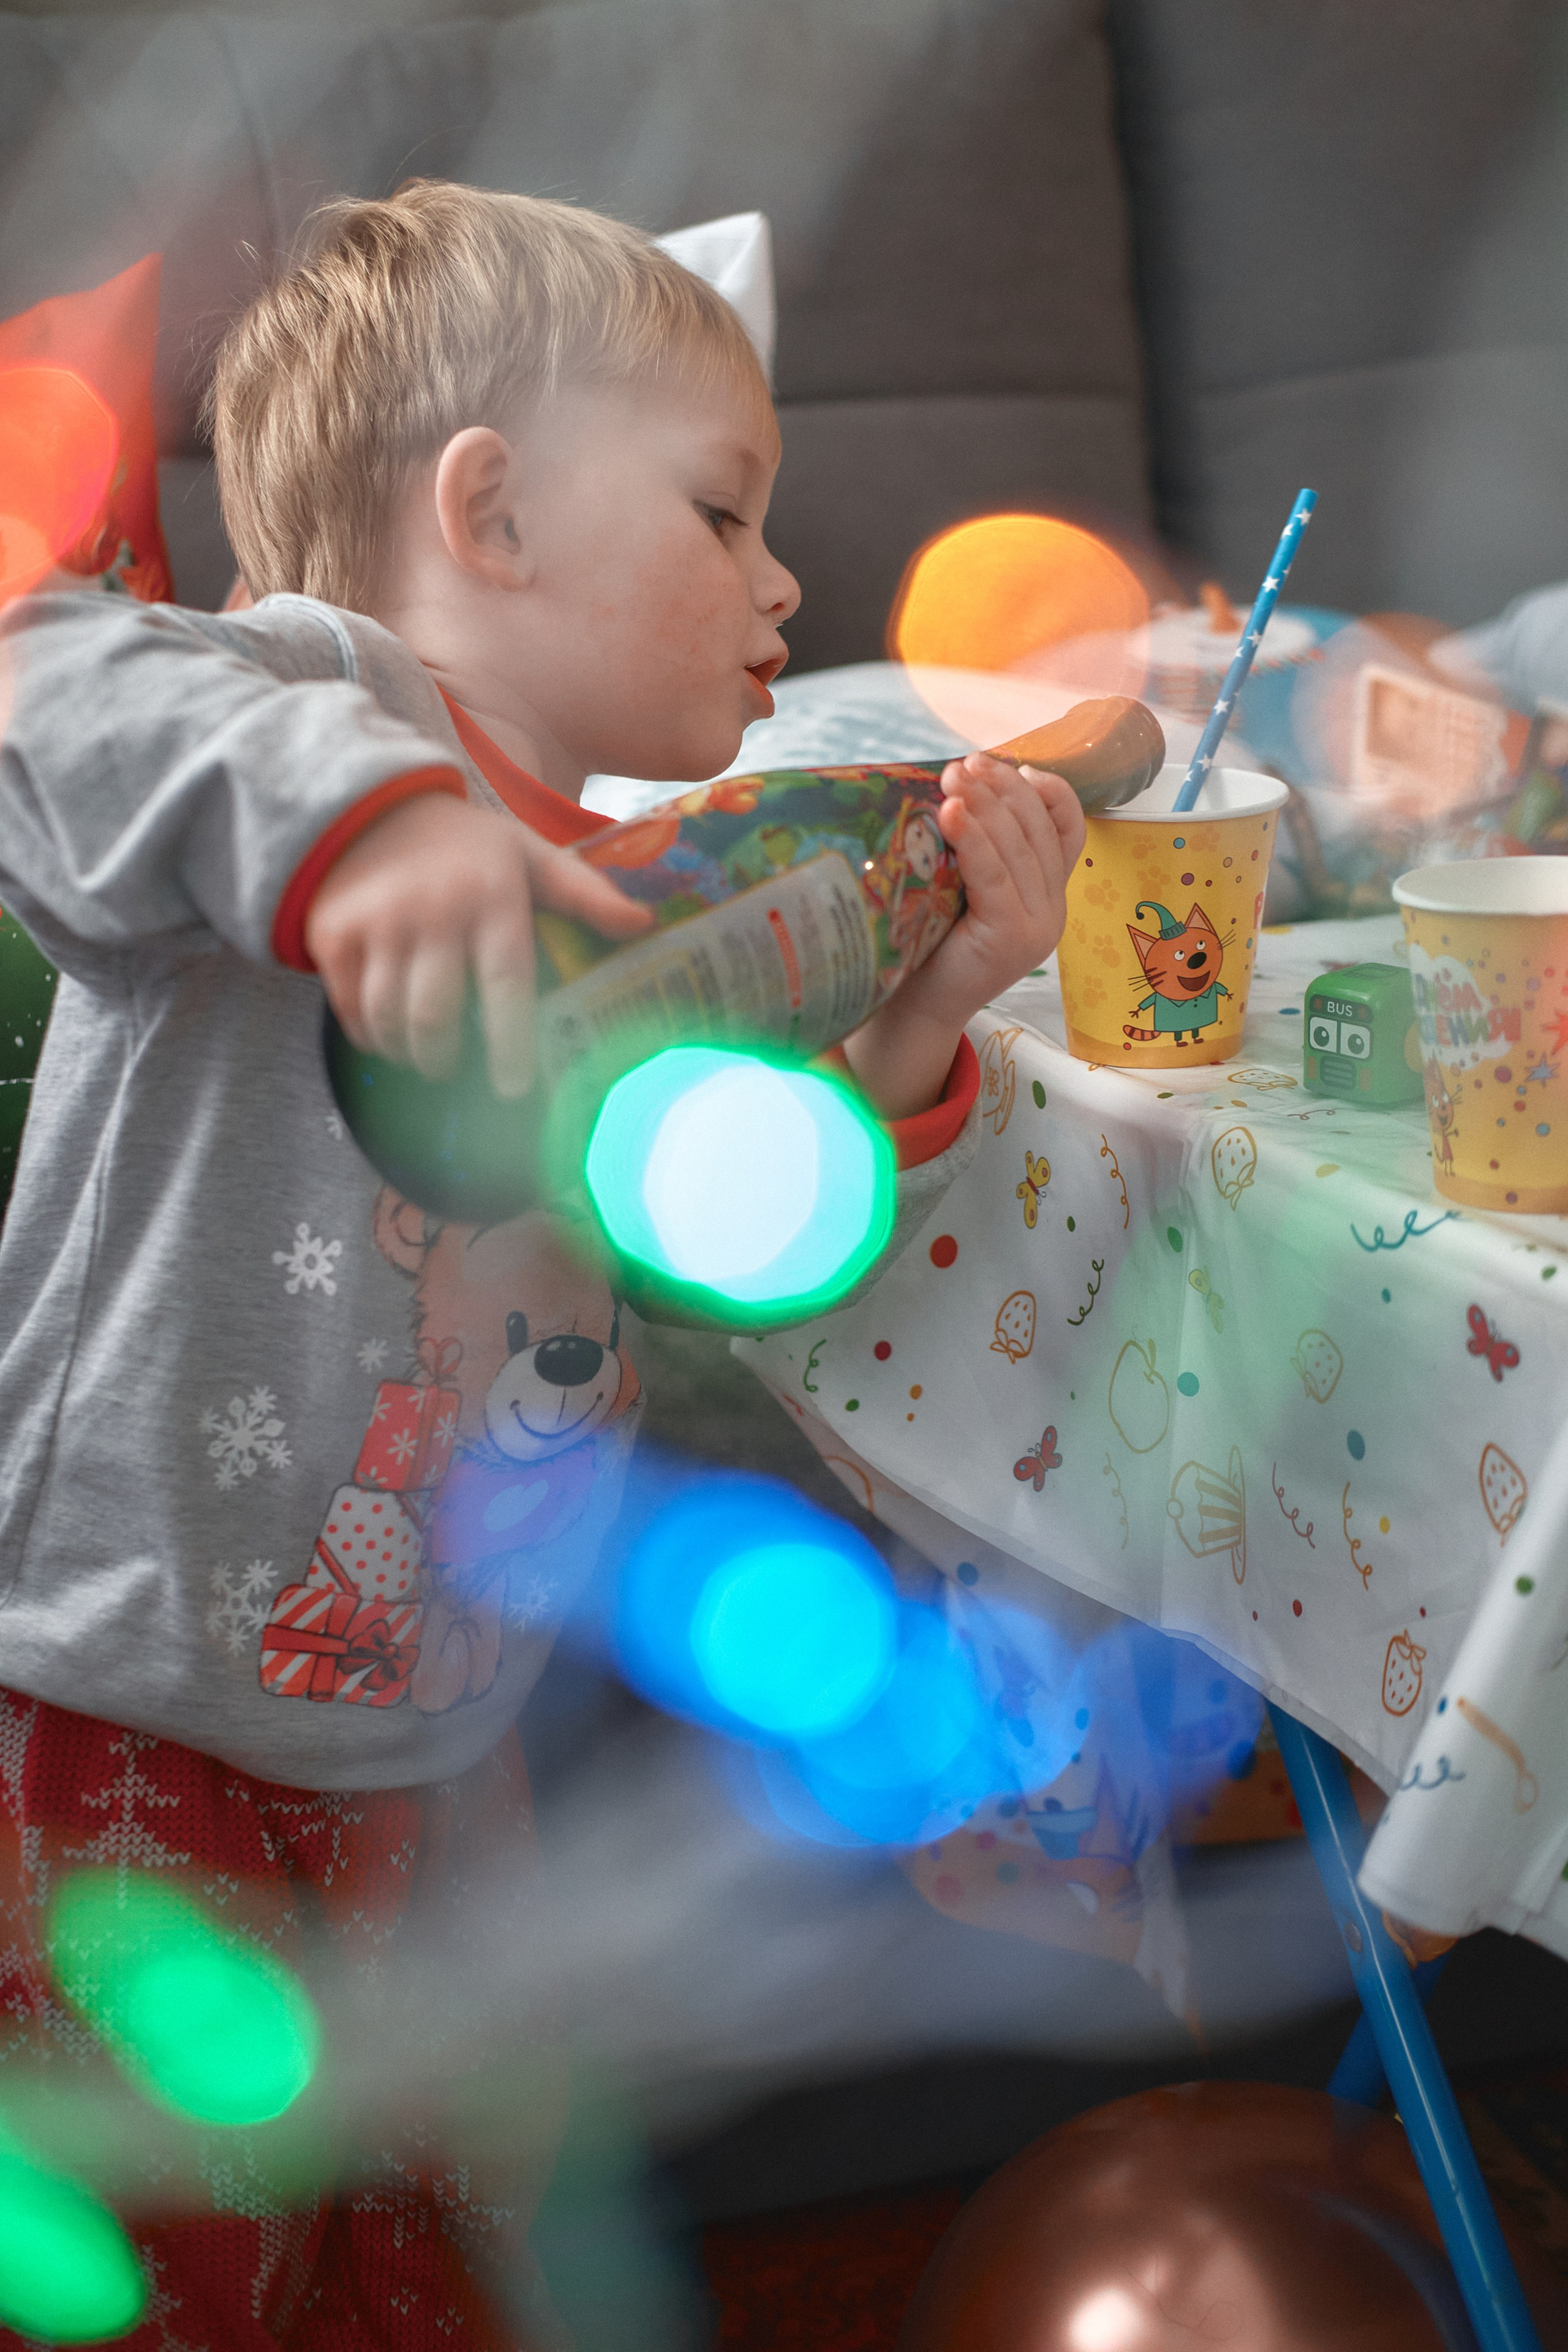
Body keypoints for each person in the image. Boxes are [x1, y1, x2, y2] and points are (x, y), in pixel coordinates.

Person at [0, 181, 1085, 2346]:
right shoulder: (289, 702)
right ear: (486, 511)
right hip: (134, 1722)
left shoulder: (659, 910)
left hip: (444, 1745)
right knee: (150, 2276)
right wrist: (363, 824)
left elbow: (729, 1291)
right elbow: (45, 688)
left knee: (442, 2272)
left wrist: (922, 1018)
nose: (789, 580)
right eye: (722, 512)